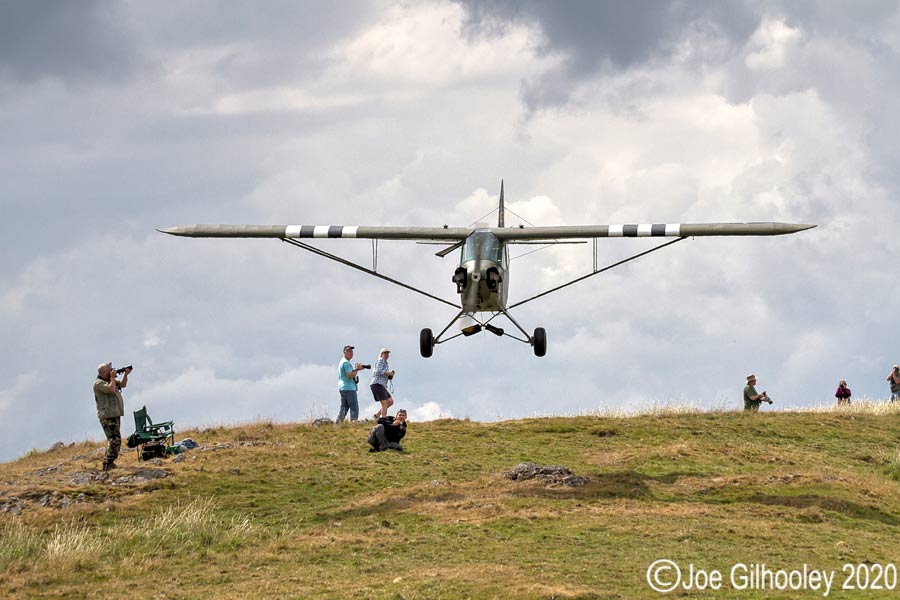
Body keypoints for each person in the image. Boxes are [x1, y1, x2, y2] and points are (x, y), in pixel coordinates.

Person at [93, 362, 132, 471]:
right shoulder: (98, 383)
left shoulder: (110, 381)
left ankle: (109, 462)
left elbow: (123, 385)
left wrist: (125, 374)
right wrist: (112, 378)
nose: (112, 371)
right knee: (114, 439)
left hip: (114, 413)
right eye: (109, 370)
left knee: (115, 438)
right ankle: (108, 462)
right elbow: (111, 389)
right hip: (107, 415)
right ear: (104, 372)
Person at [337, 345, 366, 423]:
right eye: (349, 351)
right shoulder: (346, 363)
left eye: (352, 351)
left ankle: (338, 424)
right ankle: (354, 423)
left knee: (344, 408)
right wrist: (358, 369)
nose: (351, 353)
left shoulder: (342, 362)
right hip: (349, 388)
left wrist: (356, 369)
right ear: (344, 352)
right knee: (354, 407)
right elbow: (350, 375)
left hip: (343, 388)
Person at [370, 347, 395, 419]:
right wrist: (388, 373)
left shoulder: (385, 363)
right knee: (385, 403)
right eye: (385, 353)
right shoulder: (380, 361)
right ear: (381, 354)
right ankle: (383, 419)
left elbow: (382, 373)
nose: (387, 354)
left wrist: (389, 375)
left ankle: (376, 416)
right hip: (377, 384)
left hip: (381, 385)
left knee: (390, 401)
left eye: (387, 353)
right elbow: (377, 371)